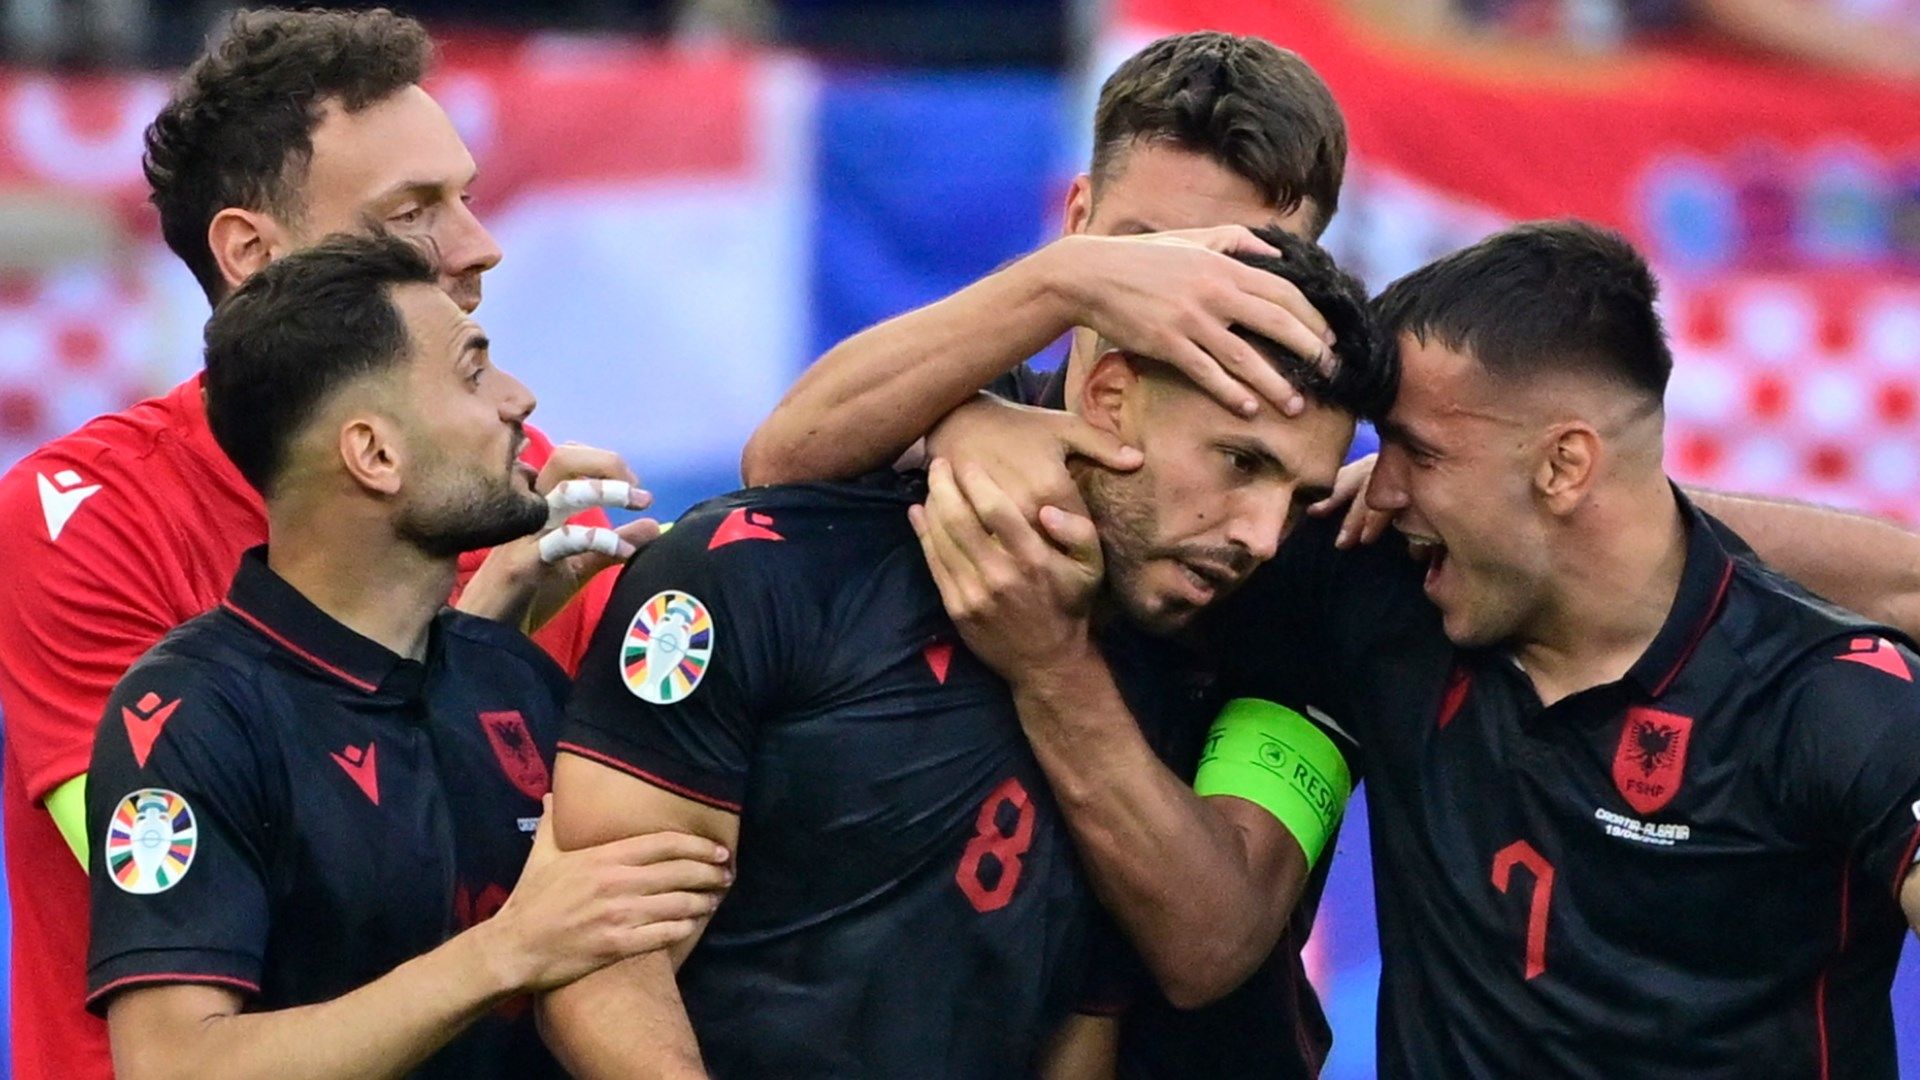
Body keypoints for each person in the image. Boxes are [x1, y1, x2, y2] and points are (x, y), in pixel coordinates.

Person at [744, 28, 1920, 1078]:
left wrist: (1614, 514)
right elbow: (786, 460)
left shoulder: (1318, 558)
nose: (1176, 306)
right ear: (1081, 225)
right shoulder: (937, 425)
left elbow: (1213, 941)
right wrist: (997, 374)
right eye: (1145, 254)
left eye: (1233, 267)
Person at [917, 221, 1920, 1078]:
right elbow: (805, 456)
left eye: (1421, 453)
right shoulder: (1371, 598)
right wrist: (965, 421)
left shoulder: (1832, 699)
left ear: (1568, 466)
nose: (1377, 490)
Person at [537, 229, 1394, 1079]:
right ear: (1107, 396)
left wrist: (1055, 668)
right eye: (1240, 462)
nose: (1262, 536)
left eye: (1299, 496)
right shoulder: (756, 567)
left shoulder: (1192, 675)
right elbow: (596, 950)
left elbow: (1099, 1018)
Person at [0, 10, 651, 1080]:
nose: (478, 246)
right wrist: (491, 626)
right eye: (415, 212)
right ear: (253, 253)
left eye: (468, 197)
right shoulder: (79, 515)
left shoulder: (509, 480)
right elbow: (242, 894)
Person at [83, 234, 731, 1080]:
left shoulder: (512, 674)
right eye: (473, 373)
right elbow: (174, 1066)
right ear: (375, 454)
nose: (518, 401)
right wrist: (506, 951)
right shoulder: (189, 715)